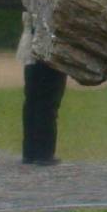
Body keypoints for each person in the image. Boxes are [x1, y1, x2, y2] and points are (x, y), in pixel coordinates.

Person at [17, 11, 67, 166]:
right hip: (49, 44)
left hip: (32, 44)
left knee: (32, 99)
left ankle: (30, 151)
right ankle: (44, 153)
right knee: (48, 99)